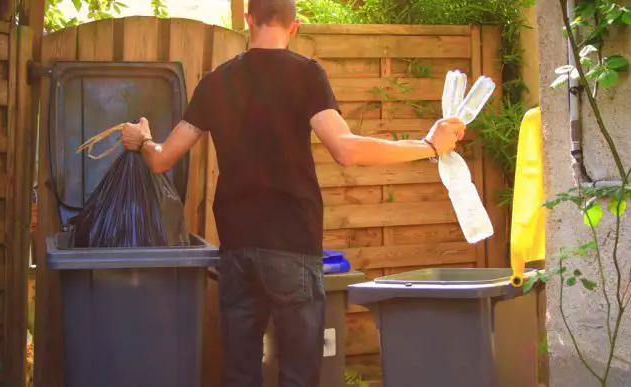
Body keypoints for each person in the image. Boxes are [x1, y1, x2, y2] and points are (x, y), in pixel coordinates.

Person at [120, 1, 466, 385]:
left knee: (239, 374)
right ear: (295, 26)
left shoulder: (217, 81)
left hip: (237, 248)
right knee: (299, 375)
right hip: (292, 246)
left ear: (248, 21)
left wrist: (143, 139)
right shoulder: (306, 75)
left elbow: (162, 160)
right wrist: (429, 146)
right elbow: (346, 149)